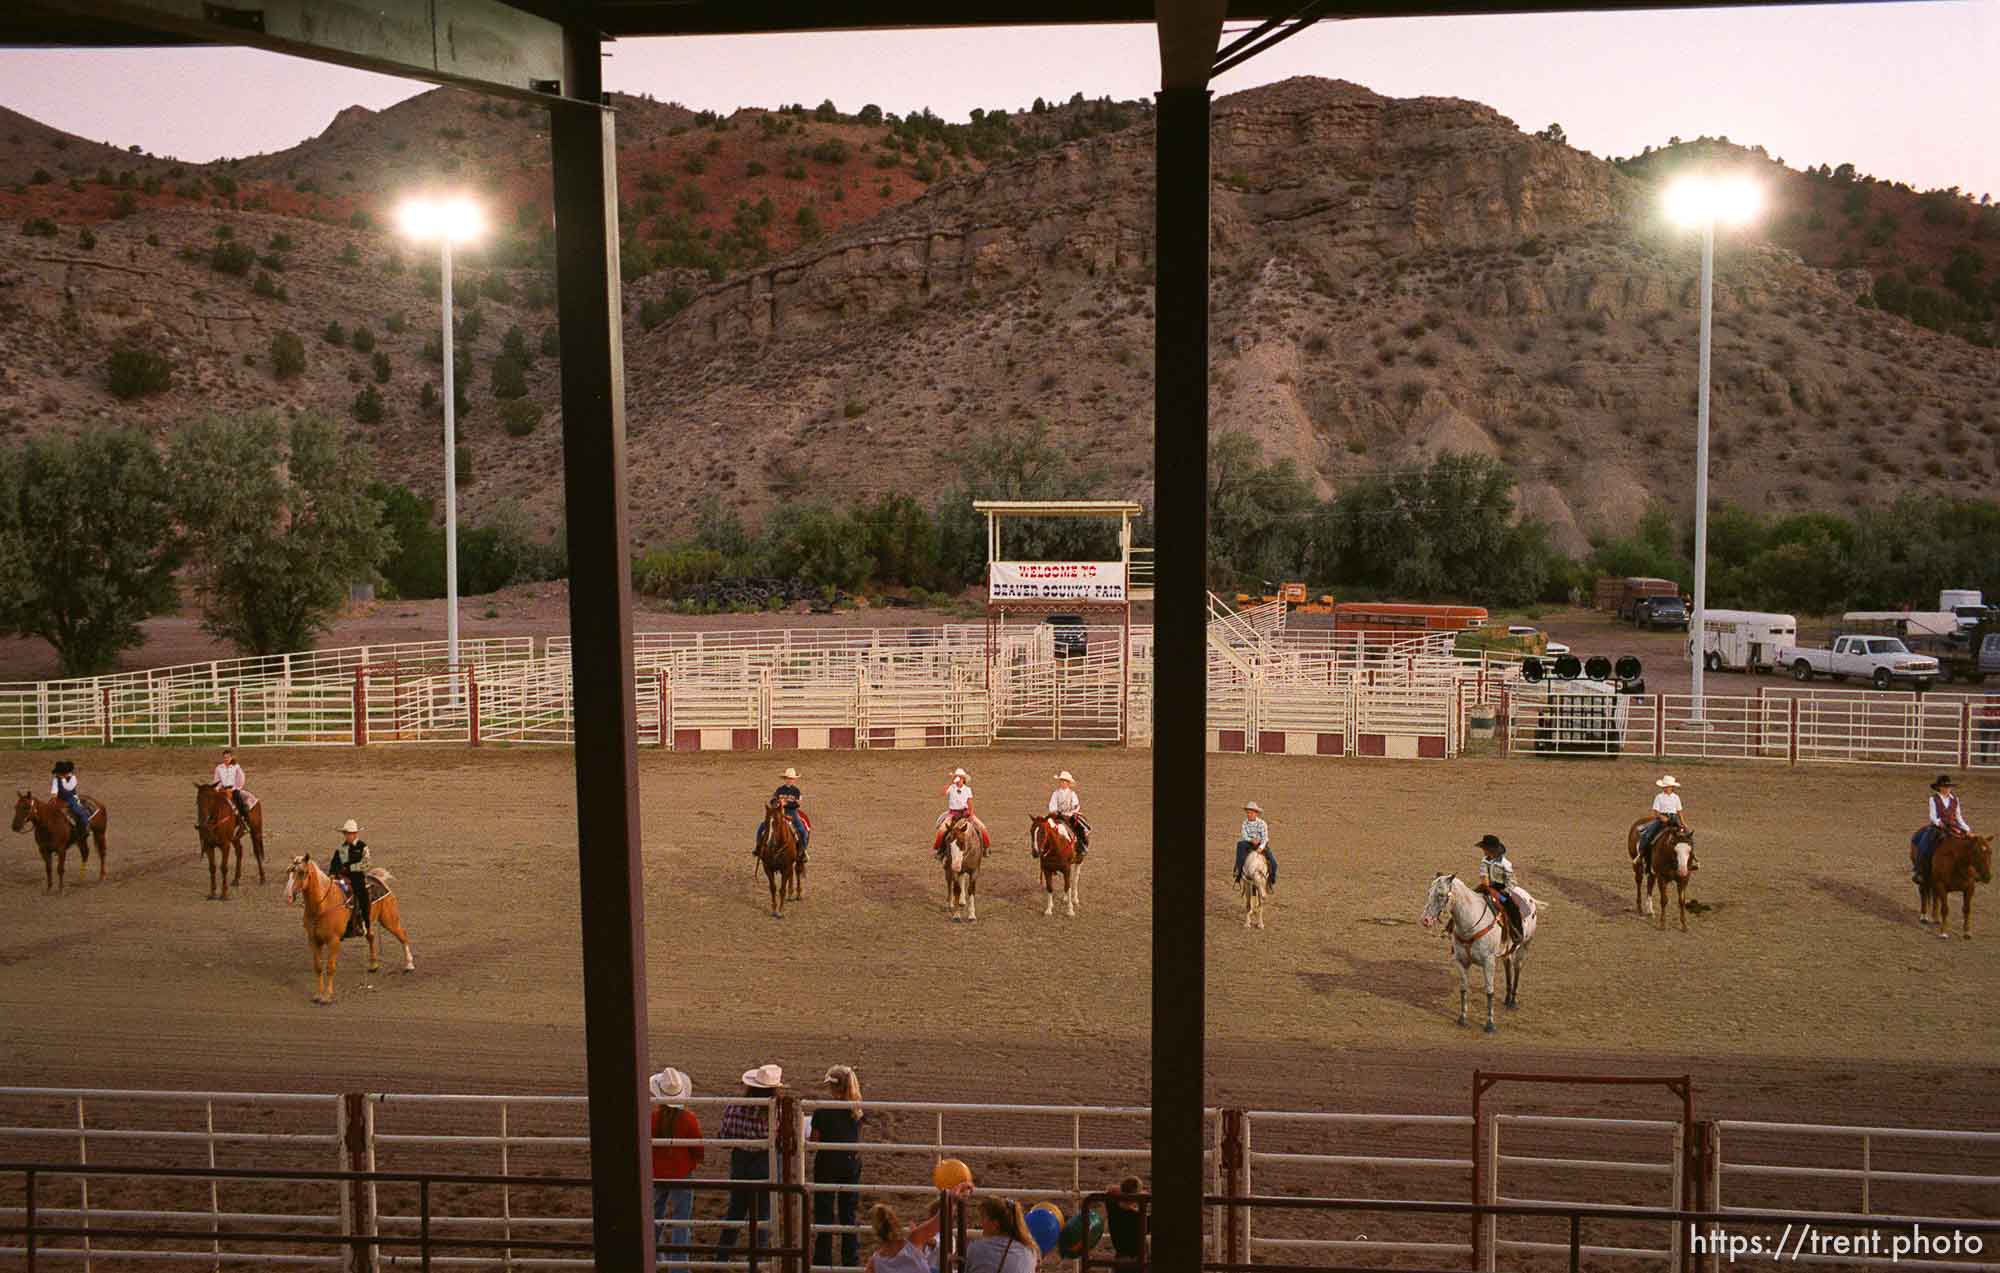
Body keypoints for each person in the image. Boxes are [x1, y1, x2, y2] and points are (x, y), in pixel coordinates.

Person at [714, 1064, 782, 1262]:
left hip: (741, 1160)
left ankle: (722, 1256)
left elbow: (724, 1138)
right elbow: (784, 1141)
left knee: (735, 1210)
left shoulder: (735, 1106)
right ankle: (758, 1260)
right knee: (763, 1214)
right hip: (765, 1162)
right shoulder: (776, 1111)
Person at [649, 1066, 704, 1273]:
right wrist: (694, 1161)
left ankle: (652, 1258)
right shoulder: (688, 1119)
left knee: (655, 1215)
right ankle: (678, 1267)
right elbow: (697, 1147)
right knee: (682, 1218)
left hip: (656, 1173)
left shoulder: (652, 1118)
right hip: (681, 1172)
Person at [811, 1065, 865, 1268]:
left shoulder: (822, 1112)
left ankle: (822, 1260)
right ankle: (850, 1261)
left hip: (827, 1165)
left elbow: (814, 1142)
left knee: (824, 1212)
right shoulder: (857, 1111)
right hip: (850, 1164)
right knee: (848, 1214)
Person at [907, 1191, 1037, 1273]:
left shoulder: (978, 1248)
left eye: (984, 1218)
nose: (981, 1223)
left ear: (995, 1225)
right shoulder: (1030, 1250)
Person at [1915, 774, 1972, 885]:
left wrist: (1967, 828)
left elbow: (1958, 816)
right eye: (1944, 787)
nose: (1947, 789)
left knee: (1970, 845)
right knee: (1924, 844)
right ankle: (1920, 871)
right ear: (1939, 787)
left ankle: (1972, 873)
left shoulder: (1955, 799)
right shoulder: (1933, 799)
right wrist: (1938, 822)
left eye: (1948, 787)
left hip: (1954, 826)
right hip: (1939, 827)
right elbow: (1932, 815)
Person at [754, 767, 812, 863]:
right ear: (785, 779)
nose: (790, 780)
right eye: (788, 778)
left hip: (791, 813)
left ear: (794, 780)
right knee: (761, 827)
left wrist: (786, 804)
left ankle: (803, 851)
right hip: (779, 813)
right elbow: (772, 800)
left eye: (792, 778)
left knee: (802, 831)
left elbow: (797, 804)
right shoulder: (779, 789)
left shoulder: (796, 791)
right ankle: (758, 848)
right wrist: (777, 803)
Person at [329, 819, 373, 940]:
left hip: (357, 878)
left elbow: (366, 864)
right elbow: (334, 862)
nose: (347, 836)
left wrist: (350, 868)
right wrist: (332, 873)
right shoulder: (341, 849)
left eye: (349, 833)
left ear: (355, 834)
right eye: (346, 833)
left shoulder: (362, 847)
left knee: (361, 895)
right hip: (342, 879)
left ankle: (364, 923)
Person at [1476, 834, 1523, 946]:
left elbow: (1512, 882)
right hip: (1486, 887)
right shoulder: (1484, 861)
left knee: (1512, 907)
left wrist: (1505, 891)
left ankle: (1516, 932)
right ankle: (1451, 927)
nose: (1483, 850)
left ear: (1491, 850)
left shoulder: (1505, 864)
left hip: (1501, 891)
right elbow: (1483, 874)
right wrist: (1485, 883)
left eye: (1485, 848)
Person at [932, 768, 989, 858]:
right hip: (953, 814)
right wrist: (950, 782)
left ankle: (985, 849)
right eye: (956, 777)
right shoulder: (951, 787)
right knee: (941, 830)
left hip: (965, 813)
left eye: (959, 777)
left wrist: (970, 814)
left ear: (963, 779)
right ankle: (939, 850)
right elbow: (942, 793)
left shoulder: (967, 789)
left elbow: (970, 803)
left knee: (982, 828)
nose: (958, 779)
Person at [864, 1204, 934, 1273]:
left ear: (876, 1231)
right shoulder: (914, 1240)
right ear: (896, 1222)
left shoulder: (874, 1263)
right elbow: (941, 1218)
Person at [1039, 770, 1089, 862]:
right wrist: (1055, 811)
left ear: (1068, 783)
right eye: (1061, 781)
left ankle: (1082, 847)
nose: (1062, 783)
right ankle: (1043, 848)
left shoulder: (1072, 794)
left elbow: (1076, 805)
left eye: (1065, 781)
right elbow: (1052, 805)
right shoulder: (1055, 793)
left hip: (1069, 816)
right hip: (1058, 816)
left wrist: (1072, 812)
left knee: (1080, 828)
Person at [1232, 801, 1275, 891]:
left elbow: (1265, 837)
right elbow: (1244, 835)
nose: (1249, 814)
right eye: (1248, 812)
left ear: (1256, 813)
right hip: (1249, 843)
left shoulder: (1262, 823)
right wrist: (1251, 840)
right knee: (1240, 846)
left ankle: (1271, 881)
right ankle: (1238, 874)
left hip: (1261, 843)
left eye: (1251, 812)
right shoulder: (1245, 823)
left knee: (1273, 862)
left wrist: (1260, 847)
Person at [1106, 1175, 1146, 1267]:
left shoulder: (1112, 1207)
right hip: (1136, 1261)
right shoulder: (1139, 1217)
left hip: (1120, 1259)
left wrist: (1123, 1194)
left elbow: (1110, 1189)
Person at [1638, 775, 1684, 854]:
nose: (1666, 788)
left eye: (1668, 786)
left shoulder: (1676, 797)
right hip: (1662, 818)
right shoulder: (1659, 797)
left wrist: (1683, 823)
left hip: (1674, 818)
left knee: (1687, 835)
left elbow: (1679, 811)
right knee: (1648, 834)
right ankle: (1641, 853)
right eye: (1665, 786)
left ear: (1672, 787)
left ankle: (1692, 857)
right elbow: (1656, 811)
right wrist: (1661, 817)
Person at [49, 761, 89, 840]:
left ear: (63, 773)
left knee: (78, 811)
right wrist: (53, 797)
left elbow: (68, 789)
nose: (56, 774)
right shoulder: (56, 779)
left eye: (58, 773)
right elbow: (54, 790)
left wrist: (63, 779)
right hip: (59, 798)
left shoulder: (73, 778)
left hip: (71, 798)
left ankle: (86, 827)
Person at [212, 748, 252, 825]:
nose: (226, 759)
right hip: (222, 789)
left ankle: (245, 819)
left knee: (239, 800)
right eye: (224, 757)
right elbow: (217, 780)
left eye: (228, 757)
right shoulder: (219, 768)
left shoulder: (236, 767)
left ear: (231, 758)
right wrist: (216, 789)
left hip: (233, 789)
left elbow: (241, 778)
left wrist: (235, 788)